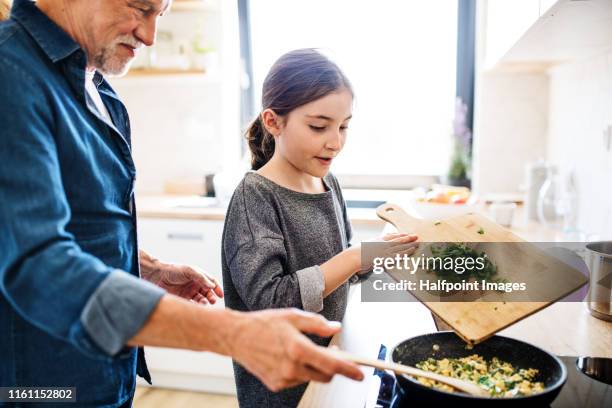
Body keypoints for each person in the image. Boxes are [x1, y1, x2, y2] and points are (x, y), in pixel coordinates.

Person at [0, 1, 363, 407]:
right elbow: (40, 268)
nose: (150, 36)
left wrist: (145, 268)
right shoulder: (10, 76)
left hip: (104, 379)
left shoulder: (97, 89)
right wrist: (231, 332)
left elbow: (55, 233)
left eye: (161, 15)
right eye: (140, 7)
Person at [222, 49, 418, 407]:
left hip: (329, 361)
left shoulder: (328, 184)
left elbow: (342, 272)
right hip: (280, 387)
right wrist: (353, 257)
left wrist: (375, 255)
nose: (336, 142)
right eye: (318, 126)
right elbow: (271, 300)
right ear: (273, 121)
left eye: (344, 126)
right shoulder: (255, 197)